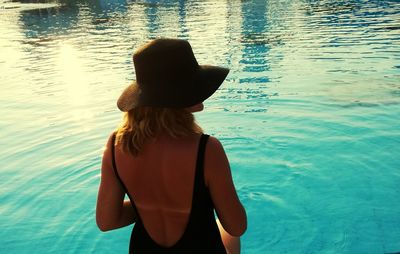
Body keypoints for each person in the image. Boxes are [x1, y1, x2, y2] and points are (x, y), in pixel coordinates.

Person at [96, 38, 247, 254]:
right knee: (226, 231)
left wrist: (149, 205)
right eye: (194, 88)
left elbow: (106, 221)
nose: (202, 98)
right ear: (178, 96)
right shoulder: (207, 150)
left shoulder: (115, 145)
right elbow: (237, 226)